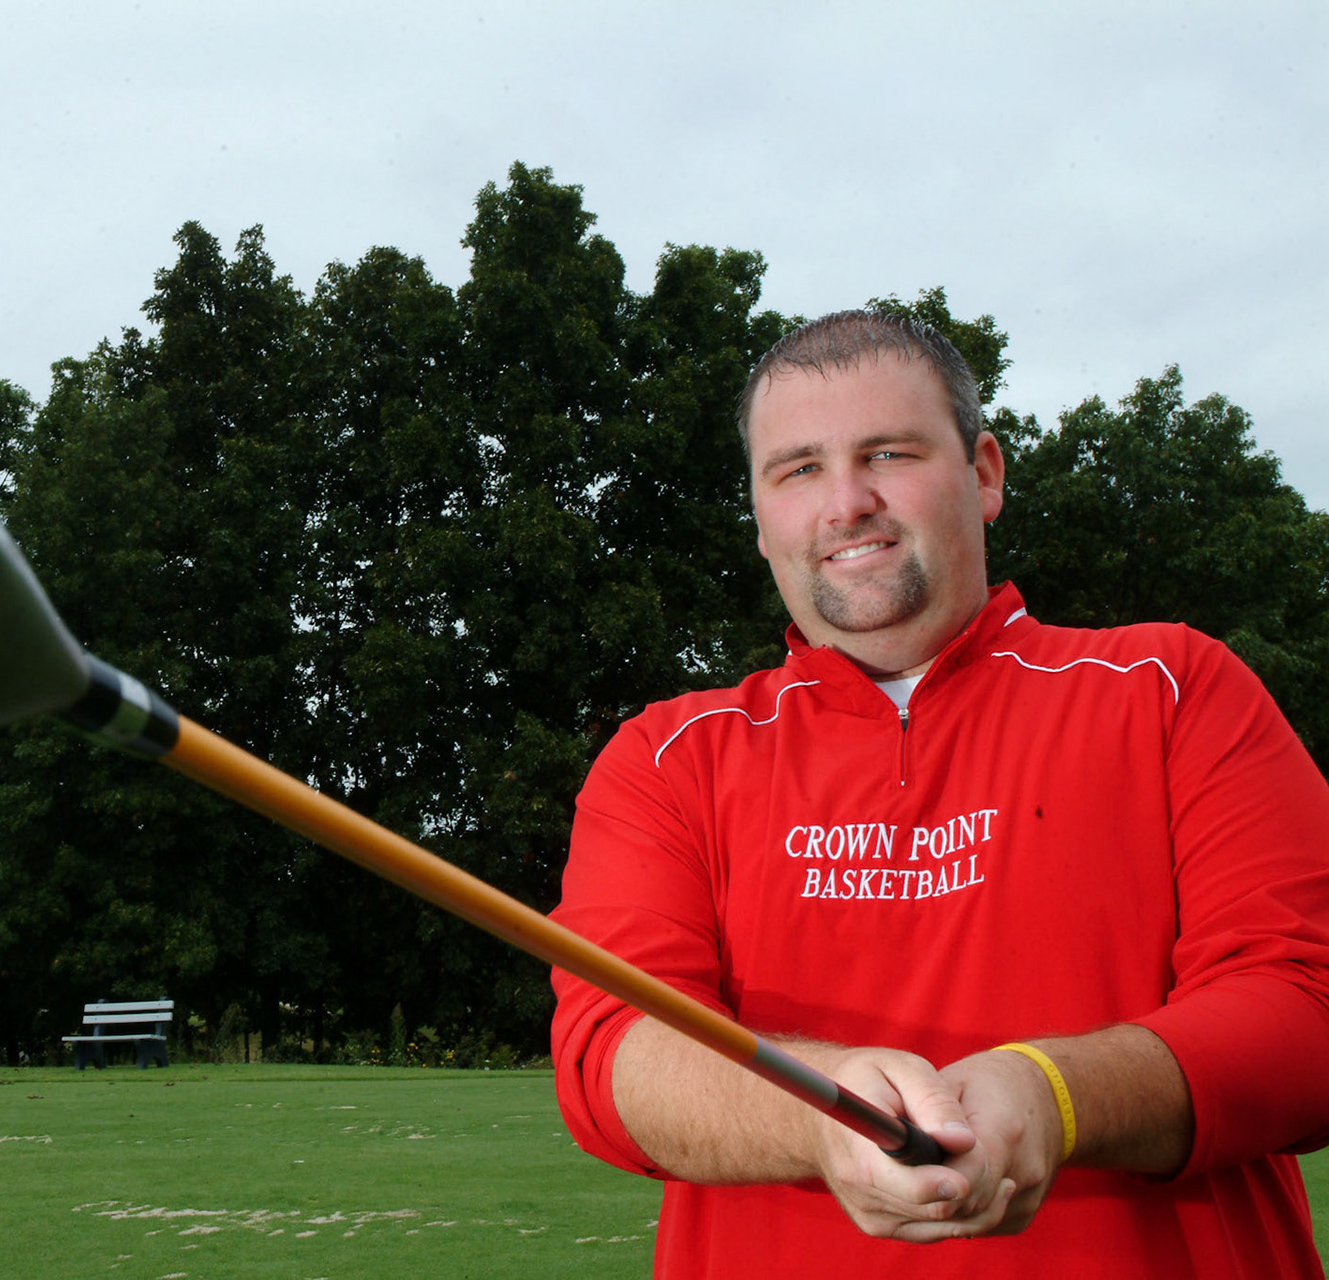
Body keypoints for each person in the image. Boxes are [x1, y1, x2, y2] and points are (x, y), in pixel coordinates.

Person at [549, 310, 1329, 1278]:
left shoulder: (1174, 688)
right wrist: (825, 1108)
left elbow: (1307, 1005)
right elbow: (613, 1054)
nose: (847, 502)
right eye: (798, 470)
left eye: (889, 451)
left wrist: (1053, 1094)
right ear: (759, 520)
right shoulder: (666, 757)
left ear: (986, 472)